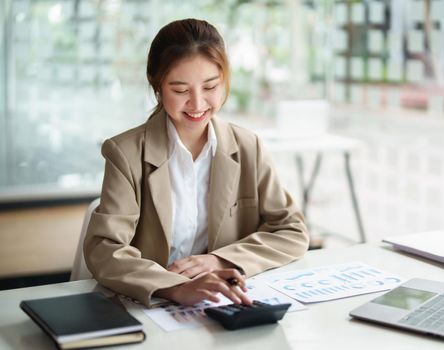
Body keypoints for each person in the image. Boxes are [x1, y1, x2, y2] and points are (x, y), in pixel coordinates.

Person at [84, 18, 309, 307]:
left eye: (210, 86)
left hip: (223, 302)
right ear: (158, 86)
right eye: (180, 90)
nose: (198, 103)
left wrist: (219, 261)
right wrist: (174, 287)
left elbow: (291, 230)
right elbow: (104, 249)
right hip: (152, 304)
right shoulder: (125, 153)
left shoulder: (247, 146)